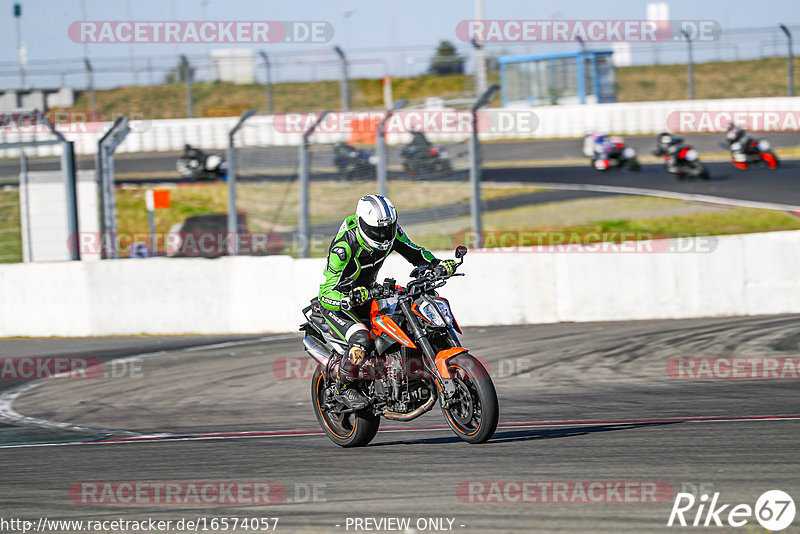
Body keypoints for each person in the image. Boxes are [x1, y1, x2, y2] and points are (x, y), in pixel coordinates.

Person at [317, 194, 456, 409]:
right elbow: (325, 292)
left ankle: (403, 372)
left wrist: (436, 265)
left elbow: (416, 253)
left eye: (387, 229)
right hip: (340, 304)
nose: (383, 235)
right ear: (363, 224)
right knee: (362, 340)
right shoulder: (344, 248)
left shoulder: (393, 234)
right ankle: (342, 388)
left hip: (370, 294)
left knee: (406, 317)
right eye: (377, 230)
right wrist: (349, 297)